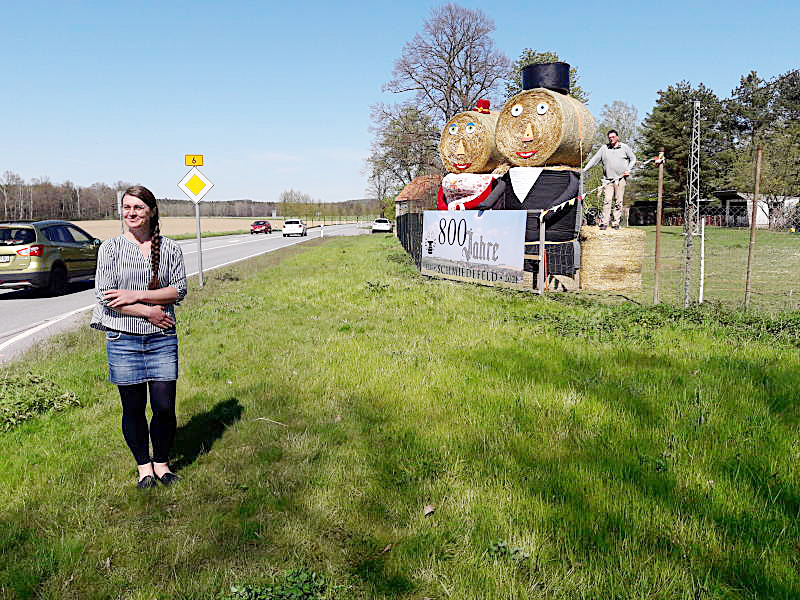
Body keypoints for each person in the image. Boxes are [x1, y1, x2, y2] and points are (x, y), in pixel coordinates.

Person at [91, 185, 187, 489]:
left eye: (138, 208)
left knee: (163, 407)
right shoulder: (111, 248)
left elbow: (178, 290)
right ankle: (143, 467)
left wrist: (135, 295)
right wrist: (149, 312)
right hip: (123, 339)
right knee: (132, 408)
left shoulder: (170, 248)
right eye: (127, 207)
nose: (131, 213)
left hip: (161, 338)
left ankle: (161, 463)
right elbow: (107, 297)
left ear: (152, 211)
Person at [583, 130, 637, 229]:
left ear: (617, 137)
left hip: (620, 179)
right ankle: (604, 223)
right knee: (607, 201)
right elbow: (594, 160)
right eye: (610, 137)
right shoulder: (604, 148)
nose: (611, 139)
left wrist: (628, 169)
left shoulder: (624, 148)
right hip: (608, 180)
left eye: (613, 137)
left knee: (618, 201)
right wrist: (584, 170)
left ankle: (616, 223)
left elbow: (633, 159)